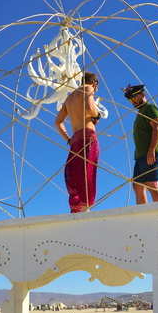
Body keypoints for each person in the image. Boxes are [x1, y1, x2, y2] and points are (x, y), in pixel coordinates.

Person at [55, 72, 101, 213]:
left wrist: (68, 139)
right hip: (88, 135)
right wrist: (96, 114)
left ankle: (76, 207)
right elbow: (89, 106)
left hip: (75, 138)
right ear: (94, 83)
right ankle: (85, 207)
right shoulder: (88, 88)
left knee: (75, 172)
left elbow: (58, 122)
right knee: (88, 172)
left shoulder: (69, 98)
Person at [124, 84, 158, 205]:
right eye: (130, 99)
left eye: (134, 97)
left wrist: (151, 150)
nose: (132, 101)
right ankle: (144, 213)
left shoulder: (150, 108)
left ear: (142, 94)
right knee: (137, 185)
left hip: (150, 153)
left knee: (151, 184)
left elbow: (157, 127)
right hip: (140, 155)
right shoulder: (140, 112)